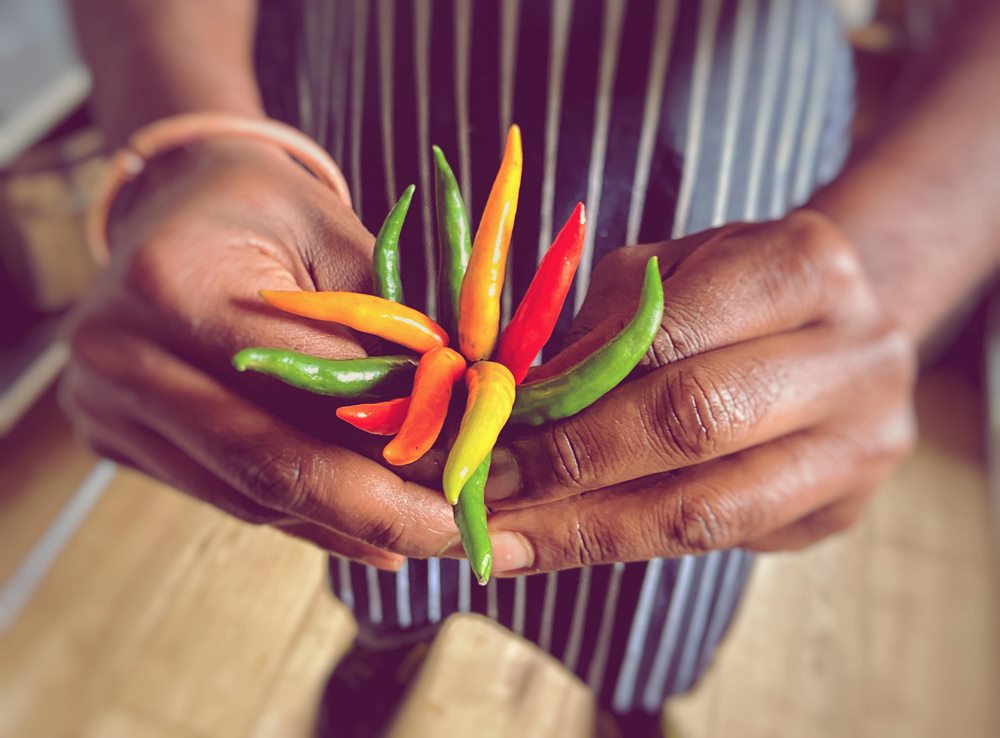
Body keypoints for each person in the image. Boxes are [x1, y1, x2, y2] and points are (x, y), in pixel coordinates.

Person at [64, 1, 1000, 736]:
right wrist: (190, 134)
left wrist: (880, 270)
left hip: (729, 148)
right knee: (382, 495)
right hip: (376, 90)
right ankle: (392, 638)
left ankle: (631, 693)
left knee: (684, 476)